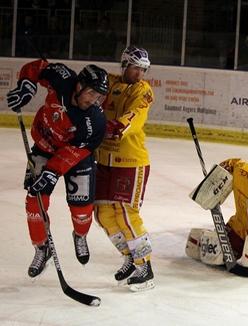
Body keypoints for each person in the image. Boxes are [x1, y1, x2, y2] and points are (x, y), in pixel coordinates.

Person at [6, 60, 108, 277]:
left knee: (82, 212)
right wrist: (27, 86)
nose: (93, 100)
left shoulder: (95, 120)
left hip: (76, 157)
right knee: (35, 200)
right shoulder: (63, 78)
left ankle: (80, 236)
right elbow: (38, 67)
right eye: (91, 93)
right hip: (44, 146)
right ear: (79, 85)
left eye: (99, 97)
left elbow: (79, 150)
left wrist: (52, 172)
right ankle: (42, 249)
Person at [94, 46, 155, 292]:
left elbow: (136, 115)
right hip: (104, 160)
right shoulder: (109, 83)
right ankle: (129, 257)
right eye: (135, 68)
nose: (139, 73)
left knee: (126, 214)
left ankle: (145, 267)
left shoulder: (144, 91)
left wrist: (117, 126)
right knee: (103, 213)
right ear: (124, 65)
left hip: (131, 162)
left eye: (143, 69)